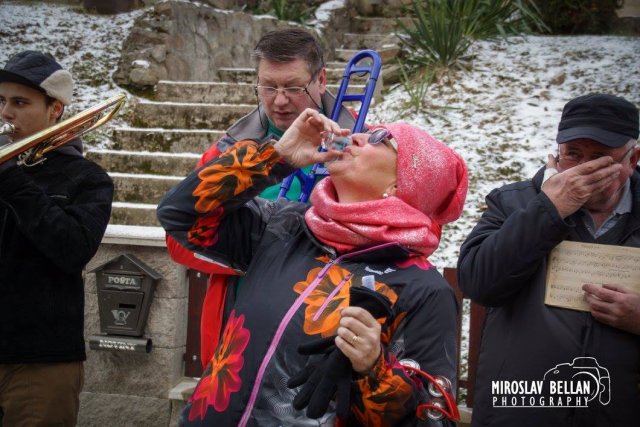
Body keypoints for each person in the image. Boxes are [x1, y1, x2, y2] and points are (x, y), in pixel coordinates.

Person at [157, 109, 468, 426]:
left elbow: (433, 421)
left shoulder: (424, 290)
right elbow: (178, 215)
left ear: (402, 184)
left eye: (380, 139)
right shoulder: (284, 225)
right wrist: (275, 158)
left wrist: (373, 369)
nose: (356, 136)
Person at [166, 28, 365, 369]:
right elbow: (178, 242)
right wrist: (261, 253)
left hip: (324, 343)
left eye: (293, 87)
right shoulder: (228, 150)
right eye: (268, 87)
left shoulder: (367, 148)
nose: (280, 101)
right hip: (238, 339)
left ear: (321, 80)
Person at [457, 93, 640, 426]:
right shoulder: (514, 202)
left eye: (600, 157)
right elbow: (478, 282)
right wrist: (549, 210)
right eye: (573, 154)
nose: (583, 169)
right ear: (557, 154)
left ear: (632, 159)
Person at [0, 51, 114, 425]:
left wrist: (11, 179)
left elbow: (73, 249)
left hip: (40, 363)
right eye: (1, 101)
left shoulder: (88, 179)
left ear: (55, 110)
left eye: (20, 102)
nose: (6, 113)